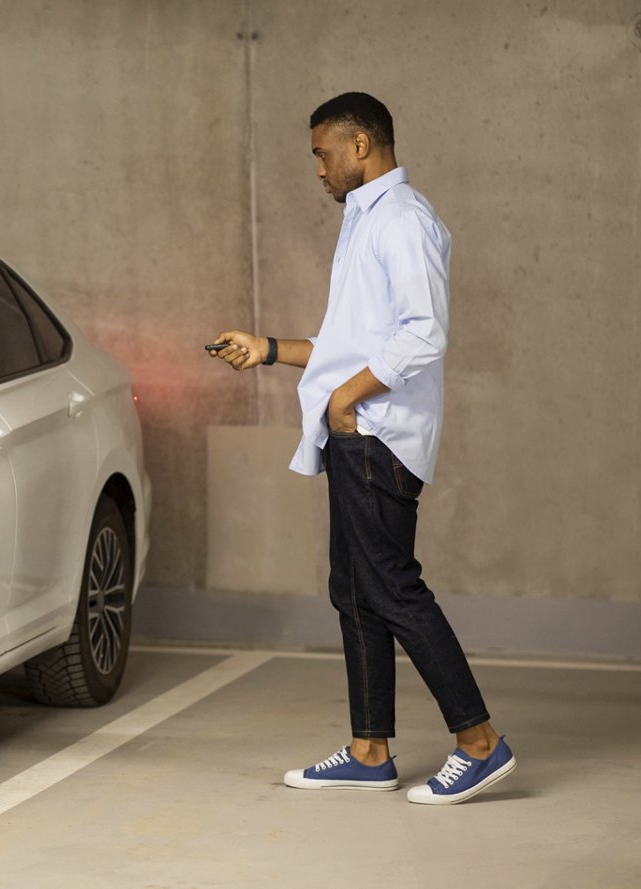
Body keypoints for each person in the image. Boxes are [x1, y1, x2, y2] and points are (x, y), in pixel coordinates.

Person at [209, 92, 516, 805]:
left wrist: (346, 399)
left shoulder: (402, 221)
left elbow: (423, 332)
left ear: (361, 146)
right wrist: (270, 349)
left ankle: (480, 743)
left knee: (391, 587)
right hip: (357, 432)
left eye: (323, 153)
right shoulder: (365, 219)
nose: (317, 168)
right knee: (354, 589)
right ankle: (370, 748)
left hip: (378, 434)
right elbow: (352, 345)